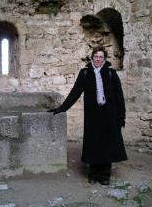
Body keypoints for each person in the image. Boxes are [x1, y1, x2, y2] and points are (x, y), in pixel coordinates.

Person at [48, 46, 127, 185]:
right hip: (93, 116)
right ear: (92, 57)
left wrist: (121, 117)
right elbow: (75, 92)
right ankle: (93, 173)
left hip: (109, 116)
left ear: (104, 59)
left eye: (101, 57)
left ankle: (104, 175)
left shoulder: (111, 73)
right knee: (93, 143)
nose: (98, 59)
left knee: (107, 145)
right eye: (96, 56)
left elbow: (119, 97)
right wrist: (62, 108)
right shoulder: (85, 73)